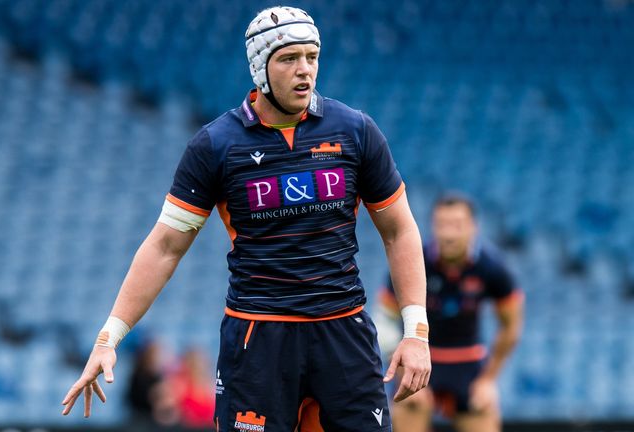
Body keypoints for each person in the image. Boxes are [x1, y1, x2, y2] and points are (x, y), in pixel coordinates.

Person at [62, 6, 431, 430]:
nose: (304, 70)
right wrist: (109, 337)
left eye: (312, 57)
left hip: (343, 333)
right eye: (289, 58)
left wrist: (415, 331)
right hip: (259, 341)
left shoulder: (355, 131)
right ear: (259, 66)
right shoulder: (216, 145)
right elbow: (165, 246)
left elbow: (399, 230)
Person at [379, 194, 524, 432]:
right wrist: (403, 373)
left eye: (457, 225)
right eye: (442, 225)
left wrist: (488, 381)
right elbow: (385, 320)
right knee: (408, 408)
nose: (448, 234)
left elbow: (511, 326)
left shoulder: (493, 268)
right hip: (421, 359)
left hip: (469, 364)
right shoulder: (414, 261)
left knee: (484, 411)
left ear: (473, 227)